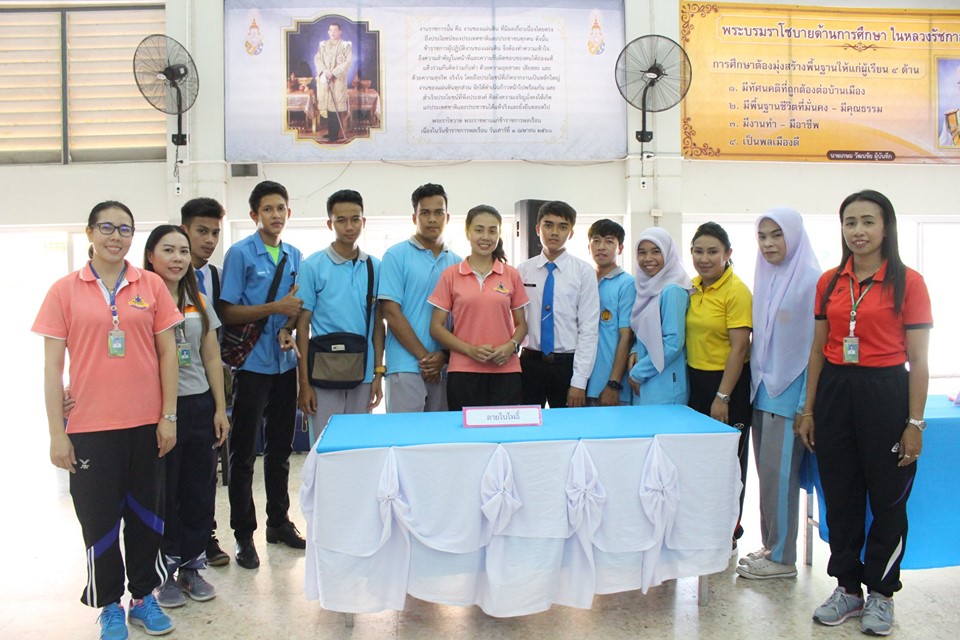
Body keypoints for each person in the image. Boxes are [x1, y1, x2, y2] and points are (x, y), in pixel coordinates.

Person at [33, 201, 182, 639]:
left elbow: (168, 353)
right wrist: (57, 433)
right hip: (90, 429)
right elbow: (51, 367)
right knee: (98, 520)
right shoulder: (64, 290)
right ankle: (109, 604)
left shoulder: (150, 285)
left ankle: (143, 597)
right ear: (89, 232)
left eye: (125, 229)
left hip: (145, 425)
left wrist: (168, 416)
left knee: (147, 516)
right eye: (107, 227)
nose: (116, 236)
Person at [799, 190, 932, 636]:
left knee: (889, 500)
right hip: (836, 391)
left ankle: (881, 593)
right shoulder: (829, 282)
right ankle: (847, 589)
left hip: (886, 392)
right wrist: (809, 409)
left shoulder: (909, 282)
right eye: (850, 222)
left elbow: (920, 360)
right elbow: (817, 350)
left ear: (886, 227)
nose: (858, 231)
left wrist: (914, 423)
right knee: (841, 496)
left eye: (868, 221)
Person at [219, 180, 305, 570]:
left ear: (289, 212)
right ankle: (243, 534)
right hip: (251, 365)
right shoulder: (240, 254)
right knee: (243, 454)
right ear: (254, 215)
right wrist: (275, 308)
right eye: (267, 209)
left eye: (280, 208)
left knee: (280, 449)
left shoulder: (295, 254)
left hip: (284, 364)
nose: (275, 215)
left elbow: (296, 307)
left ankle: (278, 522)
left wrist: (287, 327)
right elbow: (227, 312)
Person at [143, 226, 230, 607]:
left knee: (198, 489)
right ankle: (164, 572)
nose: (177, 258)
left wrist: (219, 408)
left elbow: (211, 356)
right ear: (151, 256)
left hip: (198, 405)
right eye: (168, 250)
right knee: (164, 492)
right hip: (157, 409)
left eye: (182, 251)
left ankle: (192, 566)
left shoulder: (198, 298)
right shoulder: (139, 300)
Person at [735, 208, 820, 581]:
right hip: (761, 391)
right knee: (768, 479)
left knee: (782, 481)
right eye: (762, 236)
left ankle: (783, 558)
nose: (768, 244)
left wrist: (805, 407)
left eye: (776, 235)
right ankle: (772, 545)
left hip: (790, 398)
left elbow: (815, 349)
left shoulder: (811, 280)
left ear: (794, 235)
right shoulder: (766, 275)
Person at [281, 189, 385, 443]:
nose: (349, 226)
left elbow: (378, 326)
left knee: (359, 446)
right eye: (341, 220)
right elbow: (303, 327)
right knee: (325, 446)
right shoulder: (313, 266)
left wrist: (378, 375)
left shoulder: (375, 267)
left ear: (363, 221)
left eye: (355, 219)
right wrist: (304, 384)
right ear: (330, 224)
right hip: (322, 373)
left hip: (362, 374)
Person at [685, 221, 752, 549]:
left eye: (712, 251)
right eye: (698, 251)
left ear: (728, 253)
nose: (704, 258)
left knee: (729, 464)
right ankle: (704, 527)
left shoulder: (736, 291)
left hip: (727, 385)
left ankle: (729, 532)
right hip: (696, 382)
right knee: (702, 462)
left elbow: (739, 349)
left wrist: (722, 396)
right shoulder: (693, 287)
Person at [429, 205, 528, 410]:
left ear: (499, 234)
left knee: (505, 429)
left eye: (492, 231)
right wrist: (470, 351)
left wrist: (510, 346)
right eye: (479, 230)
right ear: (468, 232)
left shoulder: (511, 274)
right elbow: (436, 327)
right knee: (466, 430)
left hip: (506, 372)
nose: (486, 237)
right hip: (463, 372)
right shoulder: (451, 275)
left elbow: (522, 325)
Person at [180, 197, 231, 567]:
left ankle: (205, 538)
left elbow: (214, 343)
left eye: (215, 232)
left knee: (204, 473)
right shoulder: (158, 281)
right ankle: (170, 548)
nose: (210, 240)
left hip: (205, 387)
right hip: (168, 392)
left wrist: (219, 403)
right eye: (202, 231)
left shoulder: (214, 277)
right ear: (184, 230)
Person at [379, 183, 460, 413]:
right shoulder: (396, 255)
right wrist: (425, 358)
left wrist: (443, 357)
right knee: (404, 433)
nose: (432, 219)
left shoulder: (458, 263)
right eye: (425, 213)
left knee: (440, 435)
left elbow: (462, 318)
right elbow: (390, 312)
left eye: (438, 212)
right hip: (405, 365)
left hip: (444, 367)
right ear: (414, 217)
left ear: (447, 217)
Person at [517, 201, 600, 408]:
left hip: (566, 365)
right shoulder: (522, 271)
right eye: (548, 225)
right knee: (527, 425)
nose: (554, 232)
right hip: (529, 363)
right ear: (538, 229)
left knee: (568, 425)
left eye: (562, 227)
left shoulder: (583, 272)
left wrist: (579, 381)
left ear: (571, 233)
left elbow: (588, 329)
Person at [627, 227, 692, 406]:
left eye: (656, 251)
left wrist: (638, 373)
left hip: (665, 383)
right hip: (647, 380)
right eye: (642, 252)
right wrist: (635, 350)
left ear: (668, 253)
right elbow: (644, 330)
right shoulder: (645, 289)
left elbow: (673, 343)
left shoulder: (672, 290)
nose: (648, 258)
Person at [585, 219, 633, 406]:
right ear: (588, 247)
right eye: (596, 241)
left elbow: (626, 336)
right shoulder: (584, 280)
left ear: (620, 248)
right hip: (582, 382)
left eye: (609, 241)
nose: (601, 247)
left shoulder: (627, 284)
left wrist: (614, 383)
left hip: (610, 386)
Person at [314, 22, 353, 142]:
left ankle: (334, 134)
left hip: (337, 81)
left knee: (335, 107)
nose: (332, 32)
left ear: (340, 32)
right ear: (328, 32)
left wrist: (334, 73)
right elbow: (317, 59)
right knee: (328, 107)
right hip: (326, 79)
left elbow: (347, 63)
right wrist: (324, 70)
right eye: (330, 30)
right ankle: (331, 132)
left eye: (335, 30)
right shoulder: (323, 45)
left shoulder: (345, 46)